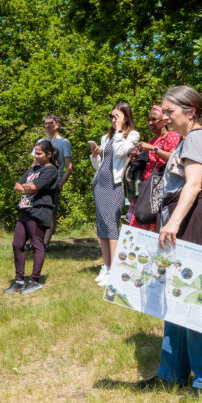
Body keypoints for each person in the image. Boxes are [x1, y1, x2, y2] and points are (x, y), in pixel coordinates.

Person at [138, 86, 202, 395]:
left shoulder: (199, 138)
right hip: (180, 220)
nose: (165, 117)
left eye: (170, 112)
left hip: (191, 221)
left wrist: (173, 224)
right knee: (174, 301)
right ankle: (171, 373)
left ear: (190, 112)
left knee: (195, 300)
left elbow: (192, 185)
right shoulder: (190, 139)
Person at [90, 102, 140, 287]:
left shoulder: (132, 135)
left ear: (126, 117)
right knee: (102, 226)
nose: (113, 120)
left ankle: (116, 268)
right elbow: (98, 165)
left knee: (112, 224)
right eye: (111, 117)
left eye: (117, 117)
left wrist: (119, 131)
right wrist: (95, 155)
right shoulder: (106, 138)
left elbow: (120, 152)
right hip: (100, 184)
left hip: (116, 185)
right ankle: (106, 266)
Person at [4, 139, 59, 295]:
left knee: (37, 245)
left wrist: (29, 188)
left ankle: (35, 280)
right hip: (25, 210)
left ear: (49, 154)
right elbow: (17, 185)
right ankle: (19, 281)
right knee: (17, 244)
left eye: (39, 153)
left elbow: (34, 187)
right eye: (36, 153)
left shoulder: (51, 171)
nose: (36, 156)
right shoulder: (33, 170)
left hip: (39, 210)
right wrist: (28, 189)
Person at [130, 105, 181, 231]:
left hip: (159, 190)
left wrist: (153, 149)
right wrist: (136, 157)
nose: (150, 123)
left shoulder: (172, 136)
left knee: (154, 225)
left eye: (153, 119)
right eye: (148, 119)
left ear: (164, 121)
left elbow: (172, 159)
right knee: (138, 224)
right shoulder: (154, 139)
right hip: (147, 189)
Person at [32, 114, 73, 248]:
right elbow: (34, 163)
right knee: (34, 210)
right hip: (39, 181)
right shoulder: (40, 142)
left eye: (50, 123)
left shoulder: (64, 142)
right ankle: (31, 242)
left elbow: (69, 166)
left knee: (50, 213)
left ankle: (45, 243)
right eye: (45, 123)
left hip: (54, 182)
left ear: (57, 125)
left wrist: (61, 183)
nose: (47, 126)